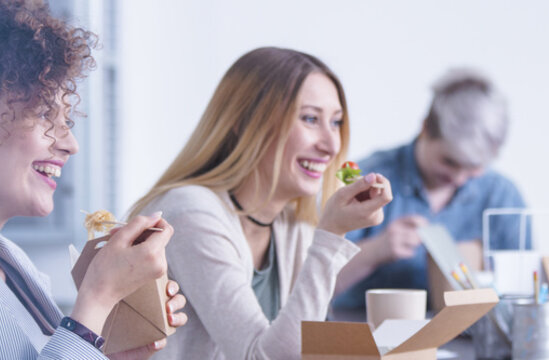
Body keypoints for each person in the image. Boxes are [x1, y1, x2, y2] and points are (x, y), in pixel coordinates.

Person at [129, 47, 392, 359]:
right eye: (310, 119)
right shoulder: (190, 212)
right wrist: (332, 236)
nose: (332, 145)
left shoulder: (291, 222)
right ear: (245, 122)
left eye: (335, 122)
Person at [0, 0, 187, 358]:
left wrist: (109, 350)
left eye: (67, 121)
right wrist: (98, 297)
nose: (71, 145)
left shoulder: (16, 268)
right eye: (45, 114)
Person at [330, 68, 525, 310]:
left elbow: (526, 293)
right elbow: (312, 285)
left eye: (474, 168)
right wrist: (375, 251)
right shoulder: (364, 178)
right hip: (365, 338)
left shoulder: (502, 196)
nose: (459, 179)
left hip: (470, 345)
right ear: (425, 128)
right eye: (449, 162)